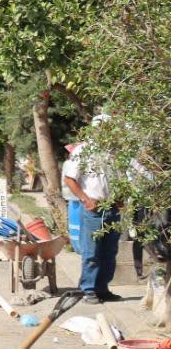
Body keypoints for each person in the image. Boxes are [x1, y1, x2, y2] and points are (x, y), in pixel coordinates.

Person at [62, 115, 121, 304]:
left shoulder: (114, 152)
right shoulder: (83, 151)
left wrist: (120, 197)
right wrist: (85, 199)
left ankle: (103, 289)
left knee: (109, 251)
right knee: (92, 252)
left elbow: (120, 178)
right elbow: (70, 178)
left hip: (111, 207)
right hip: (94, 208)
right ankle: (88, 290)